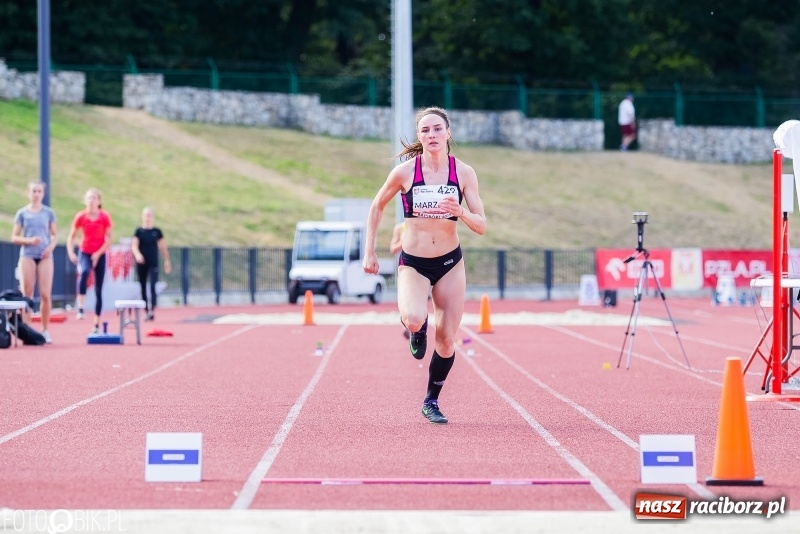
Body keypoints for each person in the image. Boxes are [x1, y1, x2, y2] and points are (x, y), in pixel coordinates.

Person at [363, 106, 487, 425]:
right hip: (414, 264)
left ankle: (431, 400)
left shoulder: (464, 173)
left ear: (448, 133)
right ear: (419, 137)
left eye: (436, 129)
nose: (431, 135)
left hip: (449, 263)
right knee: (416, 320)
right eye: (425, 131)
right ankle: (415, 331)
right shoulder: (405, 173)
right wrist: (370, 252)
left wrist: (460, 212)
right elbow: (376, 206)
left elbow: (482, 225)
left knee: (446, 339)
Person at [10, 181, 57, 344]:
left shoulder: (48, 213)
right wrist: (29, 240)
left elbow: (54, 235)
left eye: (39, 191)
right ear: (28, 193)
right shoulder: (22, 213)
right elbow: (14, 237)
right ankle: (27, 329)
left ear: (43, 194)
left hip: (45, 256)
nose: (36, 194)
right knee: (27, 294)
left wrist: (50, 247)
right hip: (28, 255)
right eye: (34, 191)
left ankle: (45, 329)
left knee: (45, 294)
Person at [67, 188, 113, 333]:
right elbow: (72, 236)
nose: (92, 201)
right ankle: (80, 307)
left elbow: (109, 239)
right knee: (84, 271)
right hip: (85, 251)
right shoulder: (81, 216)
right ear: (85, 200)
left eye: (94, 198)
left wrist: (98, 254)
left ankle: (96, 324)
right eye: (89, 198)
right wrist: (70, 252)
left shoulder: (104, 217)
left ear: (99, 201)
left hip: (99, 252)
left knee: (99, 289)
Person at [131, 207, 171, 321]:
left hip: (153, 262)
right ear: (142, 216)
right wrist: (138, 255)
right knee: (143, 286)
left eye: (150, 215)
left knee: (153, 286)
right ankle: (146, 310)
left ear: (153, 217)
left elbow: (163, 247)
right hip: (142, 262)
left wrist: (167, 261)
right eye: (146, 215)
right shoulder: (139, 231)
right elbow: (134, 245)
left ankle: (152, 309)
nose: (148, 217)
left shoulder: (157, 232)